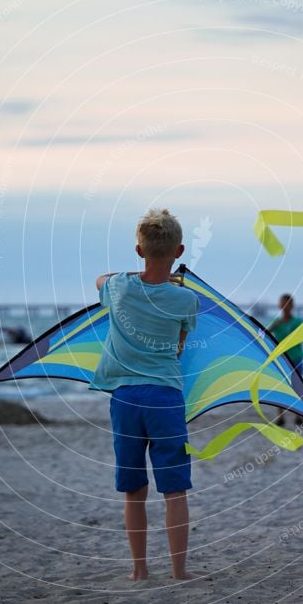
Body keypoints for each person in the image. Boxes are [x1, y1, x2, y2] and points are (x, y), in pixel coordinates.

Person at [90, 209, 199, 581]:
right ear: (179, 250)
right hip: (165, 398)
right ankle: (179, 571)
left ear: (139, 250)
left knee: (133, 489)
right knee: (175, 490)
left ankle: (139, 570)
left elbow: (98, 280)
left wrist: (136, 277)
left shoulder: (118, 286)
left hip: (125, 399)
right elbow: (180, 346)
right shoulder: (186, 300)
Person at [268, 293, 303, 428]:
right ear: (279, 305)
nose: (285, 306)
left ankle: (299, 416)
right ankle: (280, 417)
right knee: (279, 388)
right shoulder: (277, 322)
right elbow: (265, 334)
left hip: (296, 358)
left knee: (298, 388)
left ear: (292, 306)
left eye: (288, 304)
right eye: (282, 303)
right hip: (281, 360)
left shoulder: (297, 322)